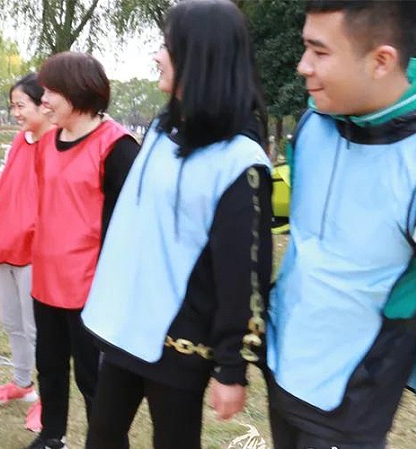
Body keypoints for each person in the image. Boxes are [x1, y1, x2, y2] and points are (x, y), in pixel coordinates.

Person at [80, 2, 272, 448]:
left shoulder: (241, 161)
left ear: (199, 56)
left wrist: (231, 368)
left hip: (181, 340)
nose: (157, 56)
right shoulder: (162, 129)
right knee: (101, 436)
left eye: (167, 46)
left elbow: (244, 274)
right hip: (127, 323)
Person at [267, 1, 416, 448]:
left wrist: (401, 352)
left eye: (320, 52)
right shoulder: (312, 124)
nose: (303, 66)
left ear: (381, 60)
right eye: (305, 47)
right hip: (283, 368)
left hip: (352, 400)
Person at [26, 52, 140, 449]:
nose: (43, 100)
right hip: (46, 279)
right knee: (49, 366)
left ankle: (106, 442)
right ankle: (51, 435)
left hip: (91, 288)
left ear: (77, 92)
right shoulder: (47, 142)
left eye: (51, 92)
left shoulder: (117, 147)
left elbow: (128, 228)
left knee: (94, 378)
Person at [0, 74, 51, 428]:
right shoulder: (19, 143)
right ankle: (23, 383)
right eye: (13, 106)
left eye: (21, 105)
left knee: (36, 327)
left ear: (44, 105)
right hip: (6, 244)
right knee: (12, 322)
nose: (15, 113)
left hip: (35, 250)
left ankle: (50, 400)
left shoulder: (56, 144)